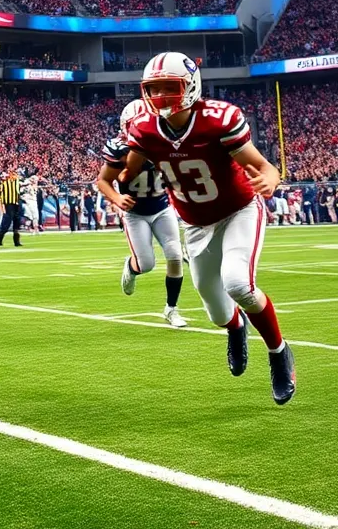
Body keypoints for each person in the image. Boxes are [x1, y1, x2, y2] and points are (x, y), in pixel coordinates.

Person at [123, 53, 294, 405]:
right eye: (153, 89)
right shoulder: (143, 129)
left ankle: (278, 353)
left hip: (239, 211)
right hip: (195, 223)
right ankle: (235, 328)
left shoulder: (218, 120)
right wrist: (119, 178)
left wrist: (270, 179)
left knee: (238, 284)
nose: (160, 97)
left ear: (190, 86)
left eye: (169, 88)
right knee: (218, 312)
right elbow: (126, 172)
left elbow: (263, 165)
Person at [96, 98, 186, 327]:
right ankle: (131, 267)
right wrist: (116, 198)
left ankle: (171, 309)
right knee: (146, 264)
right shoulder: (119, 148)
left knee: (175, 255)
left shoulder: (165, 141)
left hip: (161, 207)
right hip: (135, 213)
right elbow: (103, 181)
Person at [0, 170, 22, 247]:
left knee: (17, 222)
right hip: (8, 203)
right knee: (7, 221)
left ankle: (16, 241)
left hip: (16, 203)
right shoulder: (4, 184)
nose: (15, 176)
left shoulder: (17, 182)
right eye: (13, 174)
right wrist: (2, 204)